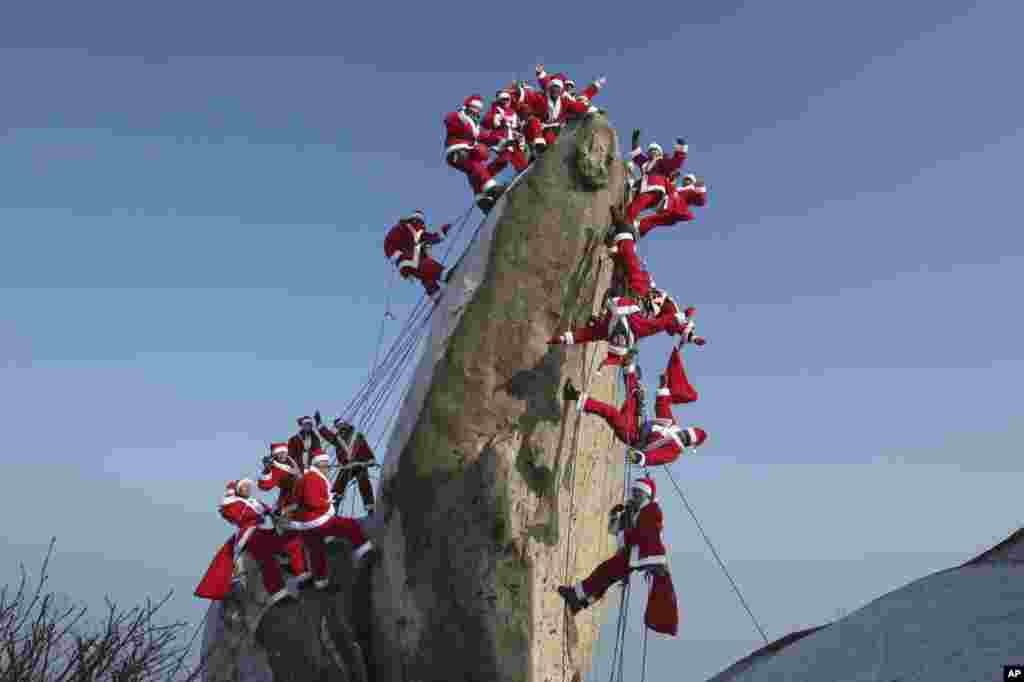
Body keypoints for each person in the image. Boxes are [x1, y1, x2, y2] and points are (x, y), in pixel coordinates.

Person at [557, 477, 679, 636]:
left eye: (638, 493)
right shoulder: (631, 511)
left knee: (604, 573)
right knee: (605, 577)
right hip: (630, 555)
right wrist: (615, 516)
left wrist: (654, 562)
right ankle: (580, 603)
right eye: (633, 493)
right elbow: (615, 531)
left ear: (646, 496)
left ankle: (575, 596)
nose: (634, 496)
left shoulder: (652, 510)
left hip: (636, 555)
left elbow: (650, 534)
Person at [563, 347, 707, 466]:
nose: (683, 435)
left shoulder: (673, 452)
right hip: (637, 422)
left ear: (688, 443)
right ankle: (628, 366)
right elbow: (662, 407)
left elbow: (656, 458)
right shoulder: (672, 426)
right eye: (686, 432)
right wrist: (663, 387)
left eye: (686, 437)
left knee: (611, 412)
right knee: (634, 395)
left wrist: (641, 458)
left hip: (632, 435)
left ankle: (574, 396)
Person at [194, 479, 298, 605]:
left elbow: (271, 511)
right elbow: (241, 515)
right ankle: (277, 592)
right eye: (244, 487)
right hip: (248, 534)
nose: (248, 489)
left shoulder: (254, 502)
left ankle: (292, 564)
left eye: (249, 486)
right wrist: (261, 514)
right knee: (265, 557)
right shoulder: (232, 503)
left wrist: (284, 511)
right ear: (238, 490)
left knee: (289, 536)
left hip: (261, 530)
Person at [284, 451, 375, 591]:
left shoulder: (307, 477)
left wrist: (327, 498)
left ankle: (321, 583)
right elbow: (312, 500)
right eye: (325, 465)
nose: (328, 468)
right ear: (318, 465)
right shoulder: (312, 478)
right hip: (316, 521)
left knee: (317, 553)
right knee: (349, 526)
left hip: (304, 525)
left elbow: (304, 499)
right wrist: (329, 501)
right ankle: (365, 553)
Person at [547, 291, 702, 370]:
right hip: (636, 304)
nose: (617, 339)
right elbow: (666, 322)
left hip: (626, 308)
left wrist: (562, 339)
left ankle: (599, 319)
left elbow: (586, 335)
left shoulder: (621, 330)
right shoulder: (640, 327)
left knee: (600, 330)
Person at [444, 95, 508, 211]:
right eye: (474, 108)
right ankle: (491, 188)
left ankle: (482, 199)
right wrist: (464, 123)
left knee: (473, 171)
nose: (476, 111)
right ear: (468, 107)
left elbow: (485, 136)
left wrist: (499, 140)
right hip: (457, 151)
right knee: (475, 165)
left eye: (478, 109)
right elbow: (449, 120)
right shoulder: (459, 116)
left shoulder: (475, 126)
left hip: (467, 150)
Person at [257, 442, 310, 581]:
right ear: (274, 456)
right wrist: (267, 470)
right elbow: (264, 486)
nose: (282, 455)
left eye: (283, 452)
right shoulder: (276, 469)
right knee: (292, 537)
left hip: (304, 496)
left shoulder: (294, 461)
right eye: (278, 454)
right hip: (289, 502)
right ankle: (297, 569)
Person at [623, 130, 688, 230]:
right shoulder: (644, 162)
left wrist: (681, 148)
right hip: (643, 189)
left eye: (655, 150)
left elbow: (676, 162)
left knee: (636, 205)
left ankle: (626, 224)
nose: (653, 151)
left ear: (660, 153)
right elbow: (636, 155)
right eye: (651, 150)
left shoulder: (662, 162)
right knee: (631, 203)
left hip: (655, 189)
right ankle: (627, 221)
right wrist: (635, 139)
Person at [315, 412, 377, 515]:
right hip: (347, 466)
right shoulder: (337, 438)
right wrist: (319, 423)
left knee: (364, 482)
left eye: (341, 424)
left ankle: (370, 508)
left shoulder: (357, 435)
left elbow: (365, 447)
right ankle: (334, 508)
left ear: (346, 424)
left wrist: (370, 459)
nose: (340, 427)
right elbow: (326, 434)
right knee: (339, 486)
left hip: (359, 465)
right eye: (337, 426)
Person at [383, 210, 451, 302]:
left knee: (424, 272)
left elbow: (429, 238)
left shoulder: (413, 231)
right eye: (420, 222)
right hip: (406, 259)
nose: (422, 225)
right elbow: (429, 238)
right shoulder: (408, 228)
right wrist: (398, 256)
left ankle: (433, 291)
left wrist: (442, 233)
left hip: (406, 262)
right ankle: (444, 274)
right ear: (415, 220)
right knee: (425, 264)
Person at [521, 72, 594, 155]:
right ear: (550, 89)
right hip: (538, 127)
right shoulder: (542, 98)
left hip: (555, 128)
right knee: (534, 122)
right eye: (554, 88)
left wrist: (591, 109)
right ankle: (538, 145)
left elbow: (578, 106)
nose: (556, 90)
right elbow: (531, 96)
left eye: (558, 88)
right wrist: (521, 90)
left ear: (561, 90)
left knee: (552, 143)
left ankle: (544, 152)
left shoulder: (566, 100)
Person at [637, 172, 708, 238]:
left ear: (692, 182)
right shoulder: (677, 190)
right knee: (650, 220)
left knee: (649, 220)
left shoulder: (690, 191)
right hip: (665, 210)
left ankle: (638, 231)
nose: (685, 181)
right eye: (685, 179)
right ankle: (638, 233)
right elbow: (668, 186)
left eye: (688, 180)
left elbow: (701, 201)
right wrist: (673, 178)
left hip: (674, 212)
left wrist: (701, 188)